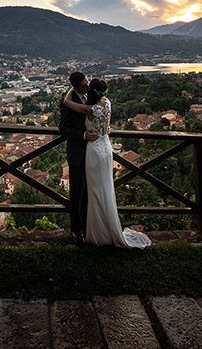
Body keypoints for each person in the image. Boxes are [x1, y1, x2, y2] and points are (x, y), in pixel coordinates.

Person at [62, 78, 151, 249]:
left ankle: (98, 231)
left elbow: (67, 102)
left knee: (95, 191)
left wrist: (70, 90)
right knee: (105, 188)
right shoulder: (107, 103)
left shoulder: (91, 109)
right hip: (106, 148)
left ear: (92, 91)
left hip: (94, 151)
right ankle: (107, 227)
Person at [58, 71, 97, 246]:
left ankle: (90, 226)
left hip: (93, 151)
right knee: (77, 192)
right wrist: (83, 135)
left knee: (90, 190)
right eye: (83, 85)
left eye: (87, 83)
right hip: (77, 152)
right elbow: (63, 128)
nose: (87, 87)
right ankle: (77, 230)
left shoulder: (91, 95)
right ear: (75, 87)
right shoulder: (67, 103)